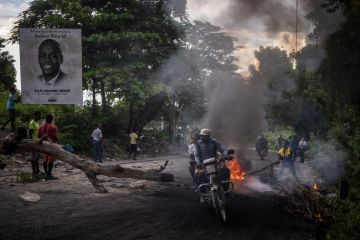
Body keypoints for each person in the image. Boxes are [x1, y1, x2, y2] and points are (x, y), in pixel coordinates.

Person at [38, 114, 59, 180]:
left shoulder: (41, 126)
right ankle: (49, 174)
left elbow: (38, 136)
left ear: (45, 119)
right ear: (52, 119)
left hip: (43, 144)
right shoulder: (54, 127)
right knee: (50, 160)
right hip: (51, 145)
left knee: (45, 159)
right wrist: (56, 141)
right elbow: (55, 137)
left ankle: (46, 173)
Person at [28, 111, 42, 175]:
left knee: (37, 157)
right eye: (39, 115)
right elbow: (30, 133)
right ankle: (34, 171)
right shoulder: (32, 122)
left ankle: (37, 170)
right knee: (33, 158)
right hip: (33, 142)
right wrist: (31, 142)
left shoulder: (37, 123)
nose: (40, 117)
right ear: (35, 115)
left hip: (37, 141)